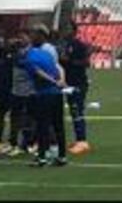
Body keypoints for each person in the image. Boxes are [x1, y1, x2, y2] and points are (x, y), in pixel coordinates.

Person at [23, 26, 68, 168]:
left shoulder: (30, 56)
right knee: (58, 125)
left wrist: (53, 81)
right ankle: (62, 156)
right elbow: (58, 67)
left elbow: (38, 72)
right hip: (56, 94)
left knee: (43, 126)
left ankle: (42, 157)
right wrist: (60, 81)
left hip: (44, 94)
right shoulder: (47, 54)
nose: (31, 37)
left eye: (33, 34)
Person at [59, 25, 93, 155]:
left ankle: (82, 141)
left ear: (74, 31)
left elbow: (86, 63)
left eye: (67, 28)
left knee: (77, 110)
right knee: (73, 111)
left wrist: (70, 61)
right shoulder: (64, 45)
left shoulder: (79, 45)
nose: (64, 31)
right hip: (68, 83)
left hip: (78, 83)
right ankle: (79, 139)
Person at [4, 32, 35, 158]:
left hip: (28, 90)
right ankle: (13, 143)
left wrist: (15, 51)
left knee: (27, 118)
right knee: (14, 117)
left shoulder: (31, 52)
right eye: (19, 38)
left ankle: (26, 144)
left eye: (23, 37)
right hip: (16, 90)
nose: (20, 40)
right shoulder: (16, 51)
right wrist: (12, 47)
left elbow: (21, 62)